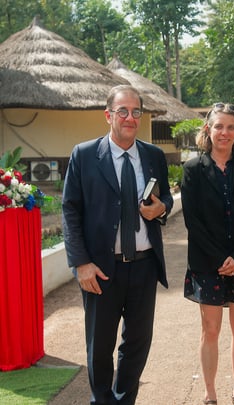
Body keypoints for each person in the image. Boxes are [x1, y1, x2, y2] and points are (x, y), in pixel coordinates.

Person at [62, 85, 173, 405]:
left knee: (138, 342)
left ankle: (124, 399)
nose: (130, 118)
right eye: (122, 111)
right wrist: (81, 263)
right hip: (100, 269)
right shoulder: (84, 155)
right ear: (108, 115)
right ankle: (102, 400)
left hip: (144, 264)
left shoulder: (153, 155)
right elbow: (70, 210)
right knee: (99, 345)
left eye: (136, 111)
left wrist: (161, 208)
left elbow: (164, 196)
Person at [181, 102, 234, 405]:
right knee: (210, 329)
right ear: (208, 129)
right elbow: (193, 221)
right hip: (207, 264)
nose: (225, 132)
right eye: (219, 126)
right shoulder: (192, 169)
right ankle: (210, 392)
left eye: (231, 127)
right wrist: (220, 259)